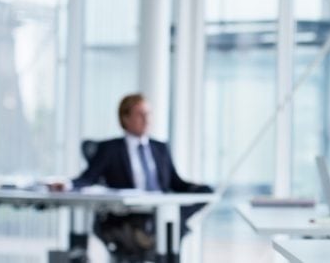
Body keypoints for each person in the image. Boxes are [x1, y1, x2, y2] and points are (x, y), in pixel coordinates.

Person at [53, 94, 211, 260]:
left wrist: (202, 191)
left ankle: (169, 222)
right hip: (129, 216)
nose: (146, 119)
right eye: (140, 114)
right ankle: (164, 227)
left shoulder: (160, 148)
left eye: (148, 114)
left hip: (160, 211)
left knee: (180, 212)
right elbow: (88, 178)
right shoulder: (110, 149)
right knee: (167, 229)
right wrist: (67, 184)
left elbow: (175, 182)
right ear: (125, 118)